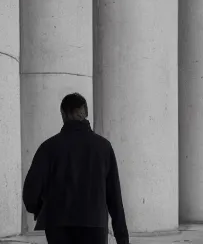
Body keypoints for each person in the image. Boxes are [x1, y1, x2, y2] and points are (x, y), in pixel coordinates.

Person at [22, 93, 129, 244]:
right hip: (95, 224)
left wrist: (42, 209)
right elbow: (114, 197)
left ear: (63, 114)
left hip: (58, 226)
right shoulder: (103, 147)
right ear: (86, 111)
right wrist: (122, 238)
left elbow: (30, 193)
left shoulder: (49, 148)